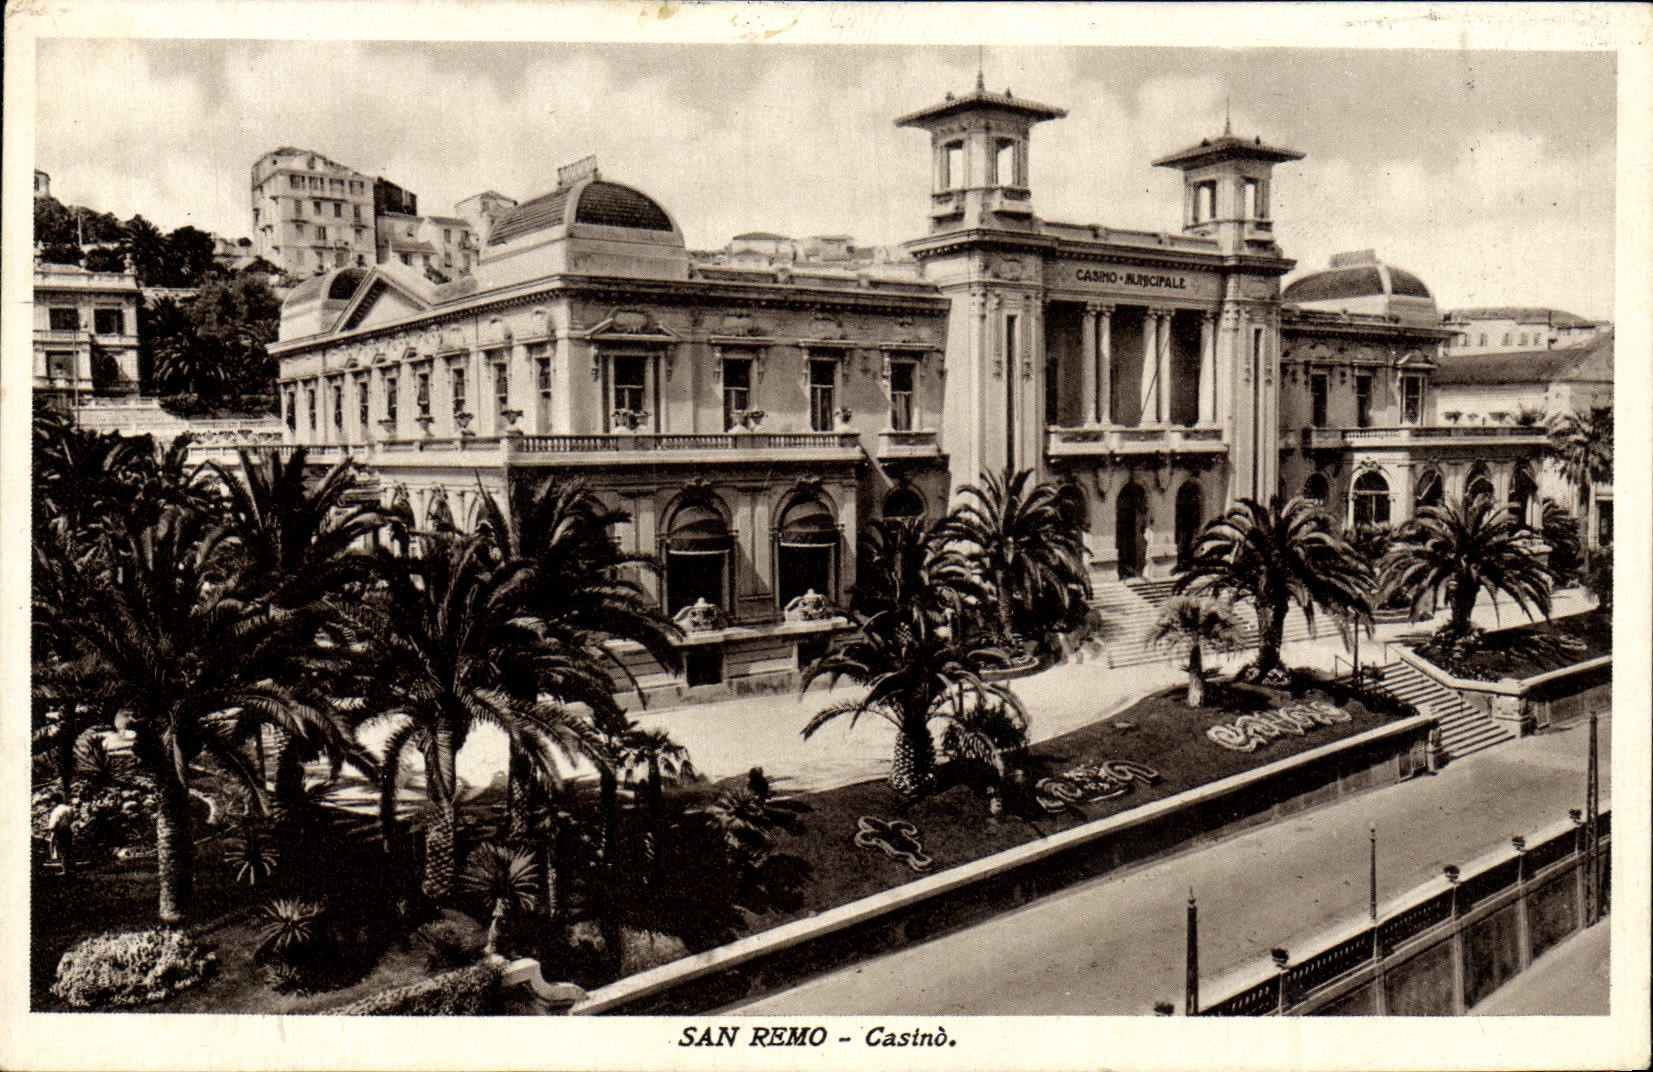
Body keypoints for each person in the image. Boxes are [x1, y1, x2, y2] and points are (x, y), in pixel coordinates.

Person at [47, 800, 76, 876]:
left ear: (54, 801)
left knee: (62, 850)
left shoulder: (56, 811)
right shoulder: (70, 808)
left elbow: (53, 825)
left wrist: (51, 829)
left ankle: (65, 870)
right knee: (68, 849)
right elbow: (72, 818)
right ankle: (71, 868)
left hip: (60, 831)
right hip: (68, 830)